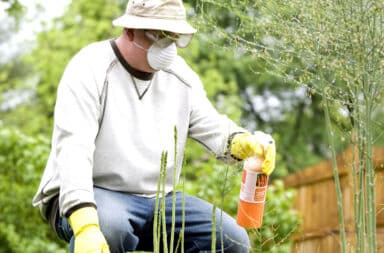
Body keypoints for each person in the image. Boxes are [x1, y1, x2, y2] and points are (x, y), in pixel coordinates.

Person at [32, 0, 276, 252]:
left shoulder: (180, 75)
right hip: (92, 194)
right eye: (160, 36)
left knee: (230, 240)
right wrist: (84, 224)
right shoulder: (90, 68)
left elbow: (210, 124)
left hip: (158, 200)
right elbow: (73, 149)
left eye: (174, 38)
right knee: (110, 228)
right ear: (129, 31)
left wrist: (239, 142)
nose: (168, 47)